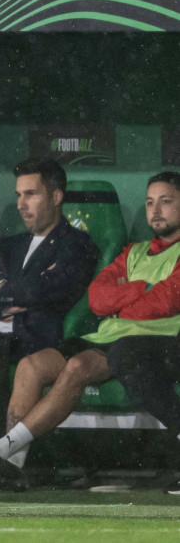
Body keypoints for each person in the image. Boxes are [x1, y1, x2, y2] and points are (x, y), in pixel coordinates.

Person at [0, 158, 104, 490]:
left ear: (56, 196)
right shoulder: (9, 247)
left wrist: (4, 291)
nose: (21, 204)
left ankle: (7, 464)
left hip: (33, 337)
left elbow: (48, 292)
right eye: (19, 195)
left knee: (6, 360)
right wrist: (14, 293)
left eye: (31, 194)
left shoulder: (76, 245)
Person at [99, 172, 180, 494]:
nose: (155, 210)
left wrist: (122, 303)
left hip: (172, 340)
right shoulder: (134, 251)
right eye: (149, 203)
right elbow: (97, 297)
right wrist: (141, 290)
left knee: (126, 353)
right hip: (138, 341)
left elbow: (165, 300)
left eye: (166, 201)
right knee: (119, 353)